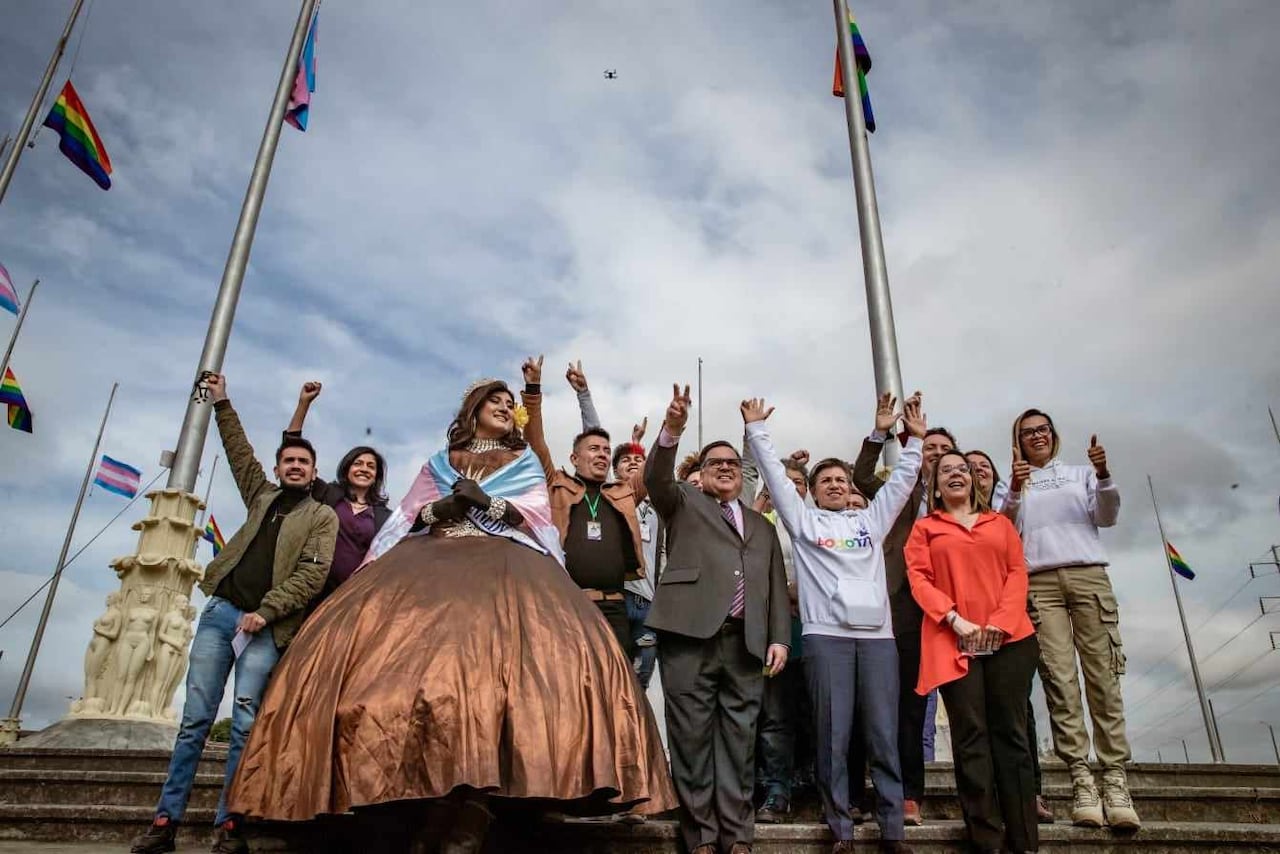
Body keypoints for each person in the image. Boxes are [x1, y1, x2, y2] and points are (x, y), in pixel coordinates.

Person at [225, 362, 675, 853]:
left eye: (510, 405)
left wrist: (489, 503)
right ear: (474, 411)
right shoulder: (441, 461)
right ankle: (422, 802)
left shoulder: (522, 462)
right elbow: (406, 517)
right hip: (432, 557)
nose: (505, 409)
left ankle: (476, 807)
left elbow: (539, 521)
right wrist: (440, 510)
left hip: (508, 565)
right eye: (496, 402)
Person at [130, 374, 337, 854]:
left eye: (303, 462)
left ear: (313, 471)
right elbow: (238, 448)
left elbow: (311, 576)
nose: (295, 467)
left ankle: (229, 825)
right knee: (195, 720)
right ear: (280, 466)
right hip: (222, 613)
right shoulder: (260, 495)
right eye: (289, 460)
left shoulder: (321, 518)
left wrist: (266, 612)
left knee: (245, 722)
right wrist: (222, 402)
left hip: (265, 629)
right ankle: (165, 822)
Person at [744, 392, 925, 854]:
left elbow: (903, 483)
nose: (835, 485)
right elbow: (777, 483)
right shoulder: (803, 523)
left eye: (841, 479)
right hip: (826, 638)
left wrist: (916, 441)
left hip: (877, 640)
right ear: (816, 489)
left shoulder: (872, 520)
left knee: (883, 733)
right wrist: (757, 431)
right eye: (825, 480)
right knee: (833, 735)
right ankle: (840, 827)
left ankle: (893, 830)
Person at [645, 383, 791, 854]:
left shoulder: (761, 526)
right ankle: (703, 839)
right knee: (691, 741)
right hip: (689, 638)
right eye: (715, 463)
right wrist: (672, 430)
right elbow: (657, 479)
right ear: (701, 474)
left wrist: (780, 639)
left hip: (746, 645)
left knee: (739, 742)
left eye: (732, 462)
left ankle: (738, 837)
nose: (725, 468)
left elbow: (772, 585)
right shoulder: (683, 502)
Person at [1002, 409, 1138, 831]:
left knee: (1102, 677)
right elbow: (1006, 529)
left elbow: (1107, 515)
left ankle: (1115, 780)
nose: (1036, 437)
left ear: (1053, 435)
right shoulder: (1015, 482)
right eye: (1027, 433)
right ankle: (1082, 780)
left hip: (1087, 574)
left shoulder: (1081, 474)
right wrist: (1015, 487)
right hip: (1039, 582)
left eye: (1042, 430)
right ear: (1018, 441)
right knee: (1060, 682)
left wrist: (1103, 474)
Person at [907, 449, 1039, 854]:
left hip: (1009, 640)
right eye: (945, 471)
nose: (955, 474)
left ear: (974, 479)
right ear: (935, 485)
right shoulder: (926, 528)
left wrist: (999, 622)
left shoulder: (999, 523)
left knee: (1011, 735)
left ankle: (1023, 840)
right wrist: (955, 620)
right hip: (953, 640)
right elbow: (919, 578)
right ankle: (986, 838)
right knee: (971, 736)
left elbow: (1017, 573)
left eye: (961, 469)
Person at [854, 415, 959, 827]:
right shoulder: (898, 493)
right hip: (902, 606)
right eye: (928, 448)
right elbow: (861, 474)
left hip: (955, 606)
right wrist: (880, 433)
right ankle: (907, 794)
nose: (935, 454)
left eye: (943, 449)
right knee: (906, 705)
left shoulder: (962, 498)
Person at [532, 361, 649, 661]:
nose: (602, 454)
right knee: (569, 685)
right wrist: (533, 391)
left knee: (616, 690)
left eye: (606, 451)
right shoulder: (556, 484)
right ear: (574, 457)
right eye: (594, 449)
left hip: (615, 609)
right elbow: (536, 442)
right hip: (568, 603)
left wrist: (670, 430)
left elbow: (654, 472)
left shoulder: (621, 494)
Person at [966, 449, 1053, 825]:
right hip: (963, 626)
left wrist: (1004, 619)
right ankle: (989, 804)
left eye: (983, 467)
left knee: (1017, 713)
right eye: (969, 468)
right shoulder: (944, 516)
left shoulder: (1007, 511)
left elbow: (1016, 567)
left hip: (1009, 623)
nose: (975, 473)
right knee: (976, 717)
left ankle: (1027, 793)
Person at [282, 381, 392, 603]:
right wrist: (304, 404)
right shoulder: (328, 494)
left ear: (376, 476)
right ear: (347, 468)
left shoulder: (385, 517)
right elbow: (292, 447)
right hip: (308, 592)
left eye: (371, 467)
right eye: (358, 463)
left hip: (350, 600)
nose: (364, 469)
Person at [613, 424, 662, 689]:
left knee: (641, 674)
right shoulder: (608, 498)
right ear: (614, 470)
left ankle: (633, 727)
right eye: (625, 460)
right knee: (612, 673)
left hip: (649, 603)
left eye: (638, 460)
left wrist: (638, 445)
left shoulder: (658, 507)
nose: (632, 463)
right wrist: (634, 443)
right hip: (617, 597)